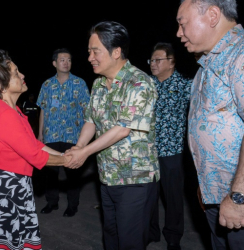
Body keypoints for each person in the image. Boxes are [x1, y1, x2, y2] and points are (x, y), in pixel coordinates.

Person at [0, 49, 72, 250]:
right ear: (0, 84)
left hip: (9, 186)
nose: (23, 76)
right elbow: (34, 155)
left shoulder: (13, 110)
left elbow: (34, 144)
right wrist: (69, 160)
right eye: (16, 73)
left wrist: (64, 154)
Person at [65, 21, 160, 250]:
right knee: (111, 236)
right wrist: (78, 147)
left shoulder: (139, 82)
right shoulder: (98, 84)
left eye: (95, 51)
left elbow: (122, 128)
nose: (90, 57)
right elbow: (90, 119)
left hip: (135, 178)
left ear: (116, 51)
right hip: (108, 176)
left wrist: (85, 152)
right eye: (89, 51)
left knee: (130, 241)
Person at [177, 0, 244, 249]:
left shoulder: (240, 55)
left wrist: (238, 196)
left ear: (213, 15)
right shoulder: (207, 64)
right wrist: (207, 187)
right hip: (217, 196)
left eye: (182, 23)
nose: (178, 32)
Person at [36, 48, 90, 217]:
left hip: (73, 135)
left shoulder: (79, 83)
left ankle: (72, 205)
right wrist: (40, 135)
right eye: (62, 60)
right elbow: (43, 110)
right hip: (51, 134)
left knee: (72, 171)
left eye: (69, 60)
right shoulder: (47, 85)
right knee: (51, 172)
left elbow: (87, 110)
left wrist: (84, 138)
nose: (66, 63)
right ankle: (52, 203)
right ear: (54, 63)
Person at [148, 42, 192, 250]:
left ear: (171, 62)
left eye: (158, 60)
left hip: (172, 151)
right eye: (151, 60)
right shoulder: (147, 85)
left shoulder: (184, 85)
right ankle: (151, 232)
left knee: (173, 197)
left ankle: (173, 236)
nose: (153, 64)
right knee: (148, 195)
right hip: (147, 150)